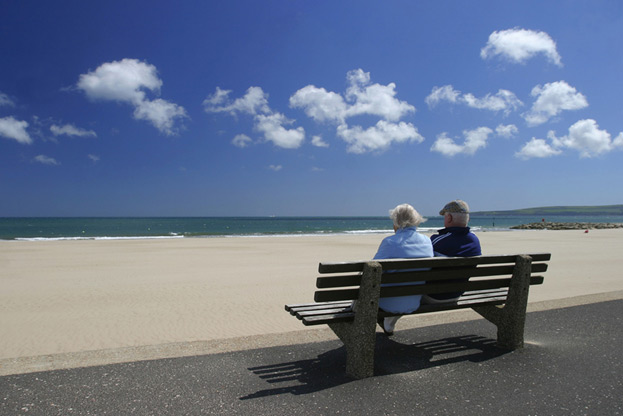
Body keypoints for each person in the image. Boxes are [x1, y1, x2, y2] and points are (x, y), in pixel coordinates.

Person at [373, 203, 433, 335]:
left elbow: (371, 272)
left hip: (387, 303)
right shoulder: (427, 242)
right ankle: (388, 323)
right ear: (416, 219)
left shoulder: (390, 242)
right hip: (413, 300)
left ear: (396, 221)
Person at [423, 199, 481, 304]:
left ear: (449, 218)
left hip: (433, 296)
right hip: (456, 295)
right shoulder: (474, 241)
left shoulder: (438, 240)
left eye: (445, 216)